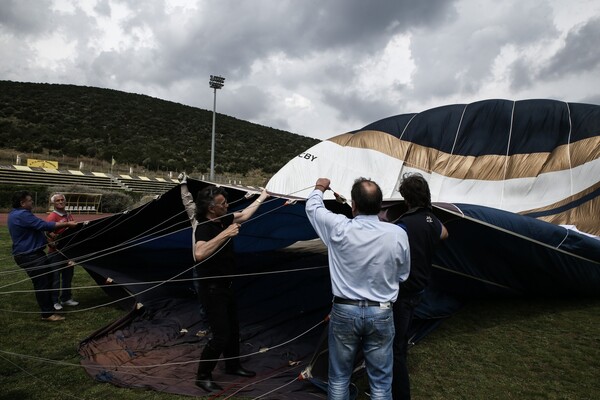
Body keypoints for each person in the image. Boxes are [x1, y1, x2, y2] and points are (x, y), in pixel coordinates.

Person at [305, 177, 410, 400]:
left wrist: (320, 188)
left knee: (339, 378)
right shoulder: (398, 234)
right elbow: (403, 274)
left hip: (345, 312)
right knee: (381, 383)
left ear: (353, 205)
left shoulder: (338, 227)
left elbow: (312, 207)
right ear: (380, 205)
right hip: (381, 312)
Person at [180, 176, 269, 392]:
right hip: (211, 289)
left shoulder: (225, 218)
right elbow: (199, 253)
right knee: (220, 335)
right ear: (211, 208)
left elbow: (245, 214)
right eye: (223, 204)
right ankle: (203, 376)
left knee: (233, 329)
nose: (227, 206)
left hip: (226, 285)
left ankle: (232, 365)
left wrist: (265, 194)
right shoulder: (204, 226)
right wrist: (225, 234)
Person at [392, 173, 448, 400]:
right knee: (402, 336)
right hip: (419, 290)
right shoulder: (431, 221)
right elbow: (445, 233)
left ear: (406, 198)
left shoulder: (404, 225)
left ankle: (399, 394)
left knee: (394, 347)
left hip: (403, 292)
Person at [7, 190, 78, 321]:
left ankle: (51, 307)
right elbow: (43, 225)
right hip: (30, 255)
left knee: (49, 278)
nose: (32, 201)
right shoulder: (22, 214)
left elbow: (35, 230)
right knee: (42, 283)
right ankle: (47, 314)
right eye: (29, 200)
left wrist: (48, 241)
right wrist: (67, 224)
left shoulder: (17, 214)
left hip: (34, 254)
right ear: (22, 203)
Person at [46, 193, 79, 310]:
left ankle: (66, 298)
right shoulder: (52, 217)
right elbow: (48, 234)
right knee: (55, 278)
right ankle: (54, 301)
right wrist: (52, 242)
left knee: (67, 277)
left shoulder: (69, 215)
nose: (60, 202)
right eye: (57, 201)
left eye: (62, 200)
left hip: (68, 252)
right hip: (55, 253)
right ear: (53, 203)